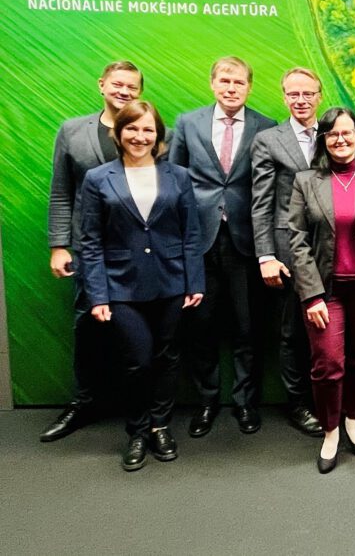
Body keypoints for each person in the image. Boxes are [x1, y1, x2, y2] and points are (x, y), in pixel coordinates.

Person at [78, 101, 205, 470]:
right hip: (120, 286)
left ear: (158, 135)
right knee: (137, 360)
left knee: (168, 357)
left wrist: (194, 281)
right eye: (132, 128)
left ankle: (160, 426)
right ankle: (136, 431)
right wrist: (97, 295)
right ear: (118, 134)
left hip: (172, 282)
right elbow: (90, 241)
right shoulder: (98, 178)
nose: (140, 136)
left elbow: (191, 233)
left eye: (148, 129)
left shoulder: (179, 176)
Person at [168, 56, 276, 437]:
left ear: (249, 87)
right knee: (201, 326)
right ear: (213, 84)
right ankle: (207, 401)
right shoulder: (188, 123)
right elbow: (175, 178)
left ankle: (246, 402)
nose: (231, 88)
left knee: (248, 328)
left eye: (239, 82)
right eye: (225, 81)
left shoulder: (266, 126)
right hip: (199, 241)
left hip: (247, 240)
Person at [288, 107, 355, 473]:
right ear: (323, 139)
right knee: (328, 363)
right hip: (325, 290)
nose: (340, 139)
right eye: (332, 134)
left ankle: (353, 420)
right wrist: (311, 295)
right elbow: (297, 240)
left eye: (347, 132)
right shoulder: (306, 181)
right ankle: (331, 430)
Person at [43, 60, 144, 442]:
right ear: (102, 84)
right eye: (117, 84)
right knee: (88, 328)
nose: (124, 91)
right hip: (88, 251)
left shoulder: (147, 131)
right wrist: (58, 246)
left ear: (140, 92)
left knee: (139, 333)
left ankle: (140, 410)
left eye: (132, 87)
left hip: (137, 251)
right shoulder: (72, 131)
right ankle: (84, 402)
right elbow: (61, 191)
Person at [251, 67, 325, 437]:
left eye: (307, 93)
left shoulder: (333, 133)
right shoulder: (268, 140)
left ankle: (326, 398)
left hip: (329, 248)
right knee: (292, 331)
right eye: (293, 94)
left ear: (319, 96)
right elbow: (261, 202)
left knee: (327, 327)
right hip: (286, 250)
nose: (301, 100)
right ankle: (298, 404)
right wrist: (266, 255)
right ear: (284, 97)